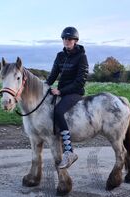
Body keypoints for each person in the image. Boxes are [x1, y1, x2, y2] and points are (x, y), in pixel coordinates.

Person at [45, 26, 89, 169]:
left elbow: (80, 81)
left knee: (58, 111)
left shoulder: (81, 57)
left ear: (75, 40)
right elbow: (52, 75)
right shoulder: (60, 56)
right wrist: (44, 86)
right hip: (61, 90)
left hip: (74, 92)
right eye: (64, 38)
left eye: (69, 39)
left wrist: (61, 91)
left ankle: (69, 151)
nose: (66, 41)